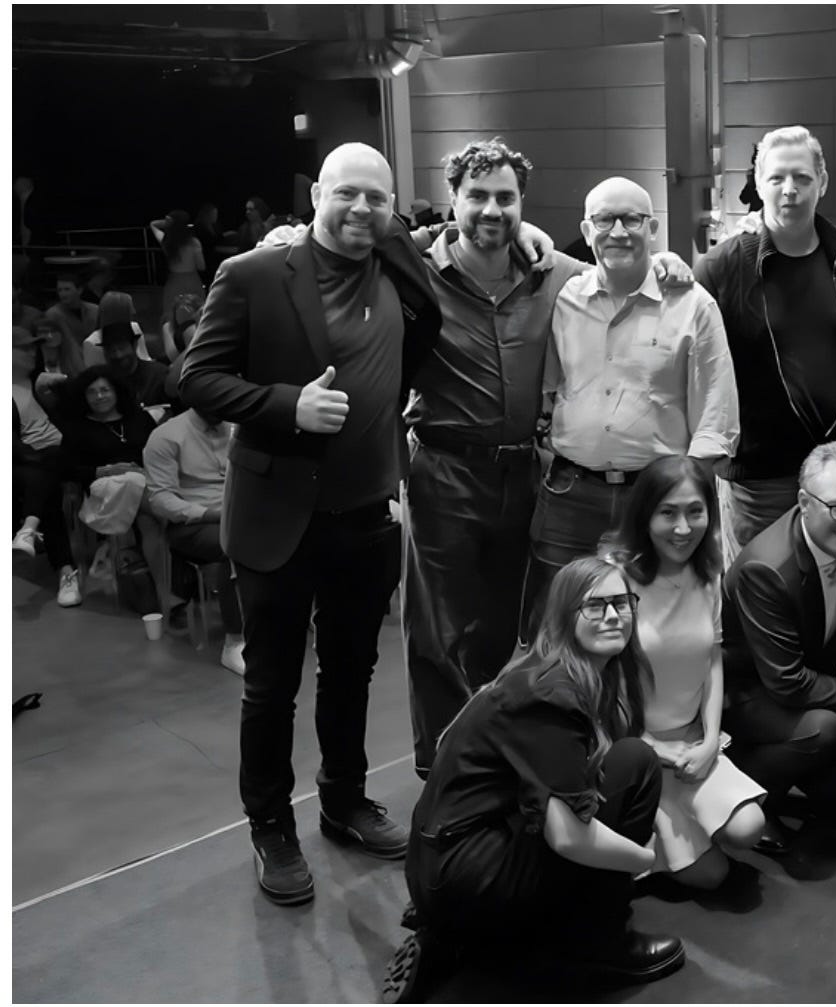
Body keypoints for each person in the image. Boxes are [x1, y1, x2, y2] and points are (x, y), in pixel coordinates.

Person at [180, 142, 444, 906]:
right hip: (278, 518)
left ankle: (344, 800)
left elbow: (442, 288)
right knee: (271, 687)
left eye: (378, 197)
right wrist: (285, 404)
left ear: (393, 210)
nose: (362, 208)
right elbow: (194, 376)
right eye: (346, 193)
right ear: (316, 196)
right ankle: (271, 826)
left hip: (366, 513)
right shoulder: (253, 274)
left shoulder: (397, 261)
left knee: (352, 672)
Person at [384, 555, 685, 1003]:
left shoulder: (554, 670)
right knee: (635, 764)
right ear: (565, 615)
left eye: (621, 603)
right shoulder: (552, 694)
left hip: (445, 863)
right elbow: (567, 837)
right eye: (594, 605)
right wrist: (643, 858)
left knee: (620, 767)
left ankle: (469, 941)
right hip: (464, 874)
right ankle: (600, 945)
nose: (612, 615)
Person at [400, 138, 592, 777]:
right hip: (443, 472)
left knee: (511, 629)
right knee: (439, 633)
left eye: (505, 198)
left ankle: (493, 756)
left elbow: (626, 274)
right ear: (452, 200)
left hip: (526, 476)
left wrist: (668, 262)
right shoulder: (414, 271)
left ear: (523, 203)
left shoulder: (557, 273)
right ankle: (443, 773)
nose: (491, 209)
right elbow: (359, 240)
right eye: (476, 196)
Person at [527, 176, 738, 631]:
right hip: (570, 495)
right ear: (587, 231)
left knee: (654, 628)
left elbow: (717, 419)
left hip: (655, 499)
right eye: (605, 220)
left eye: (632, 219)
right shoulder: (566, 300)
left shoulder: (692, 305)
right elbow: (550, 391)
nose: (618, 231)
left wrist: (681, 500)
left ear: (653, 228)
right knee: (558, 625)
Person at [696, 126, 836, 548]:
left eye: (802, 178)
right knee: (760, 582)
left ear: (822, 182)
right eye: (776, 178)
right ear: (759, 184)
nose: (789, 189)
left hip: (834, 474)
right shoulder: (722, 268)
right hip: (759, 480)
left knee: (833, 581)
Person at [721, 441, 836, 853]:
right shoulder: (765, 569)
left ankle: (781, 764)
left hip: (807, 686)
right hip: (750, 696)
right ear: (804, 502)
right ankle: (734, 789)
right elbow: (786, 683)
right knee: (824, 730)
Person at [612, 455, 766, 889]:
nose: (683, 528)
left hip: (690, 743)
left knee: (750, 827)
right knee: (713, 877)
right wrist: (654, 748)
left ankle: (677, 838)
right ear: (645, 514)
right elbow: (602, 685)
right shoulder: (615, 579)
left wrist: (711, 739)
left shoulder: (708, 573)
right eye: (668, 513)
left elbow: (711, 660)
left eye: (695, 512)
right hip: (632, 748)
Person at [143, 405, 244, 674]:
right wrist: (210, 514)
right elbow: (161, 500)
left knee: (297, 532)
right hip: (194, 522)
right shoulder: (167, 436)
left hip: (241, 513)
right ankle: (235, 641)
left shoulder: (237, 426)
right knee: (235, 545)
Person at [11, 326, 81, 607]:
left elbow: (75, 411)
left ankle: (28, 529)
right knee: (47, 487)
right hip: (28, 463)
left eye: (33, 347)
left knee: (49, 467)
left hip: (64, 453)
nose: (32, 352)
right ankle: (66, 571)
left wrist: (57, 390)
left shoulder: (41, 382)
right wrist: (38, 459)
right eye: (23, 348)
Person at [98, 322, 171, 411]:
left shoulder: (158, 375)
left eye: (122, 348)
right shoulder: (103, 381)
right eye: (111, 350)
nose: (118, 355)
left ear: (134, 345)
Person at [151, 210, 207, 326]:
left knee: (172, 319)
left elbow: (153, 224)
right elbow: (201, 266)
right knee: (196, 317)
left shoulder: (166, 242)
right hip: (193, 281)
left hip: (174, 282)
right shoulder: (194, 242)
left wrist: (167, 222)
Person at [84, 290, 153, 365]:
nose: (134, 311)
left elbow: (145, 357)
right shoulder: (91, 343)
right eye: (130, 308)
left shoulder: (135, 327)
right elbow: (94, 371)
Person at [43, 274, 97, 353]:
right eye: (59, 290)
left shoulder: (95, 310)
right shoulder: (52, 314)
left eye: (67, 289)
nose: (63, 294)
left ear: (79, 290)